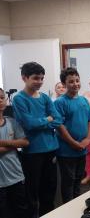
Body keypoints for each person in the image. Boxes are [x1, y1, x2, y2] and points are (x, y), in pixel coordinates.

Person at [12, 62, 62, 218]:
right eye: (35, 78)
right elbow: (28, 124)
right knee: (32, 192)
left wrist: (43, 121)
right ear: (24, 78)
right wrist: (47, 119)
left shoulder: (46, 97)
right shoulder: (19, 99)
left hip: (51, 149)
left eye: (42, 78)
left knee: (49, 191)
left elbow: (58, 119)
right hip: (32, 151)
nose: (40, 81)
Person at [54, 68, 90, 203]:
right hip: (66, 151)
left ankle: (76, 206)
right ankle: (67, 209)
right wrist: (74, 143)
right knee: (68, 182)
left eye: (77, 80)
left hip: (82, 149)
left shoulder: (83, 100)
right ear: (64, 84)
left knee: (78, 180)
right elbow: (59, 126)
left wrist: (88, 139)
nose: (75, 84)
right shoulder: (60, 102)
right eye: (71, 82)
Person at [0, 88, 30, 218]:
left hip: (16, 176)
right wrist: (13, 144)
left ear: (6, 101)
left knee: (21, 211)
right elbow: (18, 143)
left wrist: (3, 142)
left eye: (1, 97)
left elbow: (25, 142)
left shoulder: (12, 122)